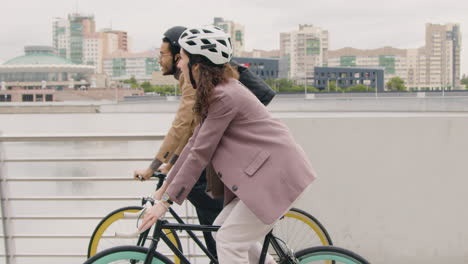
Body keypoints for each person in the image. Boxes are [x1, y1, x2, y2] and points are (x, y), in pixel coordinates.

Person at [138, 26, 317, 264]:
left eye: (183, 58)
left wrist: (166, 203)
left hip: (276, 178)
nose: (179, 64)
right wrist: (162, 193)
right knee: (223, 227)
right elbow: (193, 145)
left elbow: (200, 154)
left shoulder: (224, 97)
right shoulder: (217, 93)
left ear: (198, 66)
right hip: (268, 177)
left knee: (228, 242)